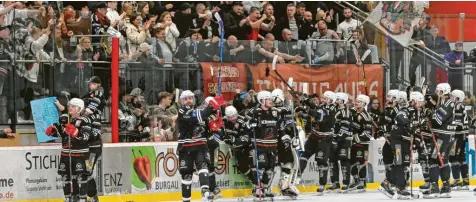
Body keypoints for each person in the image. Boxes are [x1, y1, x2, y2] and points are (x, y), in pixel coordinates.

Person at [45, 98, 95, 202]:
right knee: (65, 177)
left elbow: (87, 136)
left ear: (79, 108)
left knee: (83, 177)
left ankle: (84, 199)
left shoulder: (85, 119)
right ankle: (69, 198)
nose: (70, 108)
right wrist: (54, 131)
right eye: (70, 106)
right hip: (66, 154)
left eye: (73, 106)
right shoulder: (65, 119)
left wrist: (76, 132)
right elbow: (63, 134)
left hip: (83, 154)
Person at [176, 90, 222, 202]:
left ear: (194, 99)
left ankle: (205, 192)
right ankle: (186, 200)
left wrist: (215, 118)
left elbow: (210, 126)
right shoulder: (182, 111)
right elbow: (195, 116)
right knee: (186, 176)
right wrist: (210, 106)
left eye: (190, 98)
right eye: (185, 99)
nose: (188, 101)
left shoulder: (200, 111)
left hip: (200, 145)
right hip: (185, 146)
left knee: (203, 166)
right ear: (182, 101)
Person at [247, 90, 280, 199]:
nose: (270, 101)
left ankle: (266, 188)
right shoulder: (256, 112)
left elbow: (280, 125)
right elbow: (246, 123)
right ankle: (258, 188)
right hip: (261, 145)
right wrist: (251, 123)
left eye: (270, 99)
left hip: (272, 145)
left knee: (270, 169)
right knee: (260, 167)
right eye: (268, 99)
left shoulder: (275, 112)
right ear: (261, 101)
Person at [424, 83, 454, 198]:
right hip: (443, 135)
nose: (437, 93)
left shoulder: (447, 104)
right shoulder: (442, 103)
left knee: (434, 159)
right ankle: (446, 187)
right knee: (443, 160)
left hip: (443, 136)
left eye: (439, 91)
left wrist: (429, 112)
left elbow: (437, 121)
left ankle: (434, 187)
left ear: (444, 92)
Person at [271, 89, 299, 199]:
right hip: (277, 139)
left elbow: (290, 120)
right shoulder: (275, 110)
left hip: (285, 138)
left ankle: (284, 186)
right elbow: (282, 111)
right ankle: (271, 187)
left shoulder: (286, 107)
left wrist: (295, 136)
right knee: (280, 164)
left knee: (289, 162)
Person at [82, 76, 105, 202]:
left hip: (94, 146)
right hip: (88, 145)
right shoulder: (91, 94)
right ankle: (91, 196)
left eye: (91, 84)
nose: (89, 86)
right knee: (86, 171)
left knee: (87, 170)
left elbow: (90, 109)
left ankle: (91, 196)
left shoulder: (98, 93)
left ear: (97, 84)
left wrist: (83, 110)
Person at [389, 91, 412, 199]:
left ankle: (387, 183)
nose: (392, 101)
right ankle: (400, 187)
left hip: (401, 141)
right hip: (398, 142)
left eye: (395, 99)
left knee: (401, 164)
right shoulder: (401, 112)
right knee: (400, 164)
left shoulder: (404, 110)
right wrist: (411, 125)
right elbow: (403, 120)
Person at [329, 92, 353, 192]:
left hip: (344, 140)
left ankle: (346, 183)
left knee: (344, 160)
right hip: (334, 139)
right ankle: (335, 182)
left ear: (343, 101)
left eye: (338, 99)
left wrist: (336, 139)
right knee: (332, 160)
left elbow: (344, 129)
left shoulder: (346, 112)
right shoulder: (334, 110)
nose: (336, 101)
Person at [348, 94, 372, 192]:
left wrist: (357, 138)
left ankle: (362, 181)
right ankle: (356, 179)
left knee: (362, 162)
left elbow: (368, 134)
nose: (356, 103)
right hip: (353, 142)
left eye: (359, 102)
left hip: (363, 143)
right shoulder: (352, 111)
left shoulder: (366, 117)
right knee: (352, 162)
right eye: (356, 101)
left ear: (364, 104)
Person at [449, 90, 470, 191]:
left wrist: (448, 126)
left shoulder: (457, 106)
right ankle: (465, 180)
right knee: (461, 158)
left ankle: (456, 180)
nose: (451, 98)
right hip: (463, 136)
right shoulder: (463, 106)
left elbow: (457, 123)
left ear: (457, 98)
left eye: (453, 97)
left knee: (453, 157)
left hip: (457, 136)